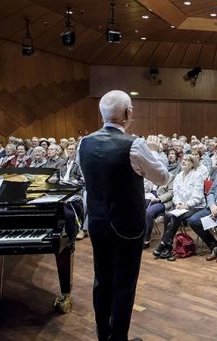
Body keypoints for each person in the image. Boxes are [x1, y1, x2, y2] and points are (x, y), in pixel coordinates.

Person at [78, 90, 169, 341]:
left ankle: (103, 336)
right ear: (128, 113)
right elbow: (162, 177)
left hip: (96, 222)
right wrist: (154, 151)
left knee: (102, 279)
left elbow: (88, 175)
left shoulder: (83, 143)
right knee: (124, 285)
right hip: (126, 225)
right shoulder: (134, 144)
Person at [152, 154, 205, 259]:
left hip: (195, 206)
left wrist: (186, 205)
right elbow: (175, 194)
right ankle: (167, 247)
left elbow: (198, 196)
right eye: (183, 160)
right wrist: (177, 203)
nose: (184, 162)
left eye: (187, 160)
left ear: (193, 164)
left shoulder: (197, 176)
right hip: (180, 206)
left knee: (175, 217)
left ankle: (163, 244)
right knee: (168, 215)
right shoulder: (179, 176)